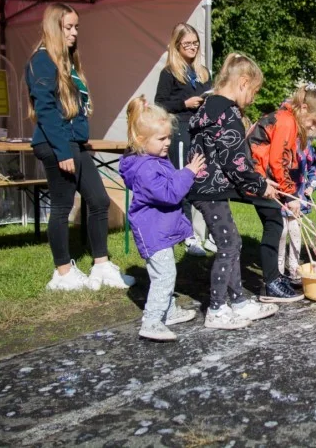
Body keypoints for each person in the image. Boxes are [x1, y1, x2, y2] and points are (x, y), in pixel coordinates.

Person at [25, 2, 134, 291]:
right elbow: (46, 110)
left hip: (74, 143)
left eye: (76, 27)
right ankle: (62, 273)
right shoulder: (43, 60)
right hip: (56, 144)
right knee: (61, 206)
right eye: (68, 27)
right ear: (54, 28)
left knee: (98, 201)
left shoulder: (67, 62)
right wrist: (63, 151)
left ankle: (101, 265)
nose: (74, 33)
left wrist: (82, 141)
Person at [188, 53, 280, 328]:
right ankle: (217, 309)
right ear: (243, 82)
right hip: (209, 189)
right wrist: (260, 185)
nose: (252, 98)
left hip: (210, 187)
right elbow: (235, 161)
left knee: (232, 242)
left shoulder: (209, 107)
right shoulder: (226, 113)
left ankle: (238, 301)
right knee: (229, 245)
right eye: (254, 91)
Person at [119, 97, 206, 341]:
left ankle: (167, 312)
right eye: (162, 139)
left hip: (159, 230)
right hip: (152, 233)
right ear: (140, 140)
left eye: (169, 137)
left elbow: (169, 184)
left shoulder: (154, 160)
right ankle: (152, 320)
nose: (168, 143)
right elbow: (169, 193)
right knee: (165, 276)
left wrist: (188, 174)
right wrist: (188, 172)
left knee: (166, 274)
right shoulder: (145, 168)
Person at [248, 84, 316, 302]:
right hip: (254, 175)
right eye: (314, 122)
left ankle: (275, 278)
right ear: (303, 108)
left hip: (260, 176)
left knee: (275, 222)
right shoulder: (286, 120)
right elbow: (278, 161)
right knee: (275, 223)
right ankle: (271, 283)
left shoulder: (288, 119)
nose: (313, 128)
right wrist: (290, 195)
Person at [153, 23, 215, 256]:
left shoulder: (203, 72)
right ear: (177, 46)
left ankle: (205, 233)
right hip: (180, 129)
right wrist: (184, 104)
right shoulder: (169, 73)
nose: (192, 47)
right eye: (187, 44)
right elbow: (159, 104)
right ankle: (187, 234)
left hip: (202, 131)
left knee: (203, 181)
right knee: (184, 180)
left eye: (195, 43)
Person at [277, 137, 316, 285]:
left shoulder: (305, 143)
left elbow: (314, 168)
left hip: (299, 196)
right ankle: (278, 271)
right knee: (281, 232)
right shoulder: (280, 139)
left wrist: (312, 185)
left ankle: (294, 268)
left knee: (296, 230)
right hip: (280, 197)